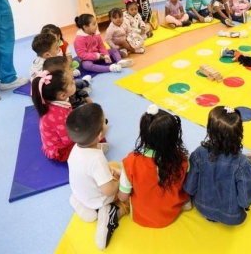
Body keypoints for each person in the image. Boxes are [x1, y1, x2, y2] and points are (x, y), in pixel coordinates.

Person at [118, 105, 190, 228]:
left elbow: (122, 197)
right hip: (171, 214)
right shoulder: (182, 159)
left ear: (143, 136)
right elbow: (187, 185)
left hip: (140, 217)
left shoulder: (131, 162)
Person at [66, 103, 127, 250]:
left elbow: (85, 171)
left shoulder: (76, 148)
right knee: (127, 194)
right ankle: (109, 212)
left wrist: (108, 169)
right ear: (100, 135)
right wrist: (122, 181)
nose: (106, 122)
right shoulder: (96, 160)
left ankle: (84, 207)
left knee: (111, 167)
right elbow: (108, 190)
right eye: (104, 121)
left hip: (80, 193)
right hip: (100, 199)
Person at [183, 106, 251, 225]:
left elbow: (190, 187)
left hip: (202, 208)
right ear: (239, 134)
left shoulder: (198, 153)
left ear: (209, 132)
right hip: (232, 217)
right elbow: (245, 201)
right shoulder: (242, 163)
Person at [31, 69, 77, 161]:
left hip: (66, 134)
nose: (74, 82)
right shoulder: (56, 115)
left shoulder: (59, 101)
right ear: (62, 95)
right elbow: (68, 140)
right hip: (60, 150)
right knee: (91, 138)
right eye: (72, 83)